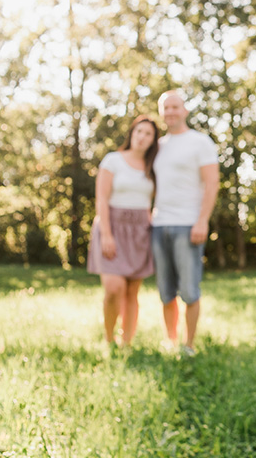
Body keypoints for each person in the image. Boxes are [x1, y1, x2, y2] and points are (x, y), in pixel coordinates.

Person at [151, 90, 219, 356]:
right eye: (165, 107)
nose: (170, 111)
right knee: (165, 290)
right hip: (158, 225)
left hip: (188, 224)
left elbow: (212, 183)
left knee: (189, 290)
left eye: (175, 106)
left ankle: (189, 345)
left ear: (185, 110)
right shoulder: (157, 146)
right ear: (161, 112)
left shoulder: (200, 142)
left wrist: (202, 220)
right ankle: (171, 341)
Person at [88, 115, 159, 350]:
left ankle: (127, 343)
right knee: (113, 288)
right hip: (113, 226)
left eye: (148, 134)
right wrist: (106, 234)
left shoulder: (153, 166)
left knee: (131, 292)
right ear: (132, 133)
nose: (142, 137)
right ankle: (109, 340)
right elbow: (102, 198)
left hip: (140, 230)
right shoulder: (113, 160)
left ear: (153, 140)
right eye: (139, 131)